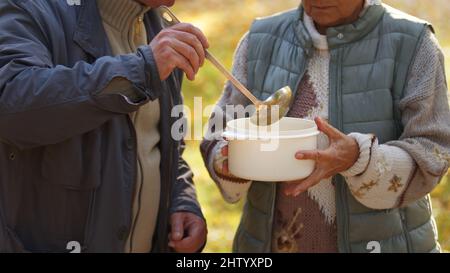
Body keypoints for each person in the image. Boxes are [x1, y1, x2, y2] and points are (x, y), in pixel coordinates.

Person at [201, 0, 450, 253]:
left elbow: (432, 151)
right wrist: (233, 156)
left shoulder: (413, 45)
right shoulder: (259, 41)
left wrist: (359, 158)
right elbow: (218, 135)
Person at [0, 0, 208, 253]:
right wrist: (139, 71)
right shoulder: (28, 8)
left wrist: (181, 200)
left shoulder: (158, 25)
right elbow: (12, 107)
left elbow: (160, 143)